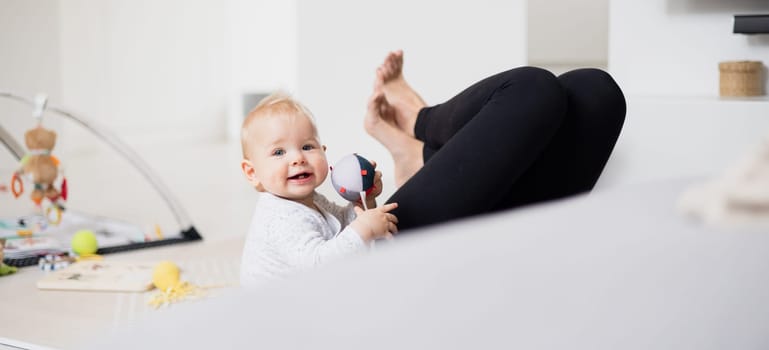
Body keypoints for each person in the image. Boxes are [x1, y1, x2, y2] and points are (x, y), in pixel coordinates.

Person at [365, 50, 626, 231]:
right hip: (394, 242)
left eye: (321, 144)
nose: (324, 150)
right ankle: (420, 123)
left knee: (596, 91)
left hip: (499, 236)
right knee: (532, 87)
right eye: (319, 144)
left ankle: (419, 154)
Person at [239, 93, 399, 283]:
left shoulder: (311, 199)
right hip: (279, 307)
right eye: (279, 152)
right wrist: (364, 229)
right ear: (252, 172)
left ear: (324, 151)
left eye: (307, 147)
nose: (298, 158)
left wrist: (364, 200)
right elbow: (319, 265)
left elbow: (340, 224)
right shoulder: (281, 219)